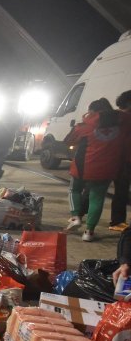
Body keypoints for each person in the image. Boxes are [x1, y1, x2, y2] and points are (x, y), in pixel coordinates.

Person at [65, 98, 131, 242]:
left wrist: (85, 119)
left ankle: (75, 217)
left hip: (85, 165)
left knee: (74, 190)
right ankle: (89, 232)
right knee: (97, 198)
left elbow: (70, 140)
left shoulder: (87, 123)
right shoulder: (123, 122)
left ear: (93, 111)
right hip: (108, 168)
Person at [108, 90, 131, 231]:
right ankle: (117, 221)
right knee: (121, 190)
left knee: (121, 190)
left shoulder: (115, 116)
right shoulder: (123, 117)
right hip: (123, 160)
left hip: (120, 159)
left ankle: (117, 221)